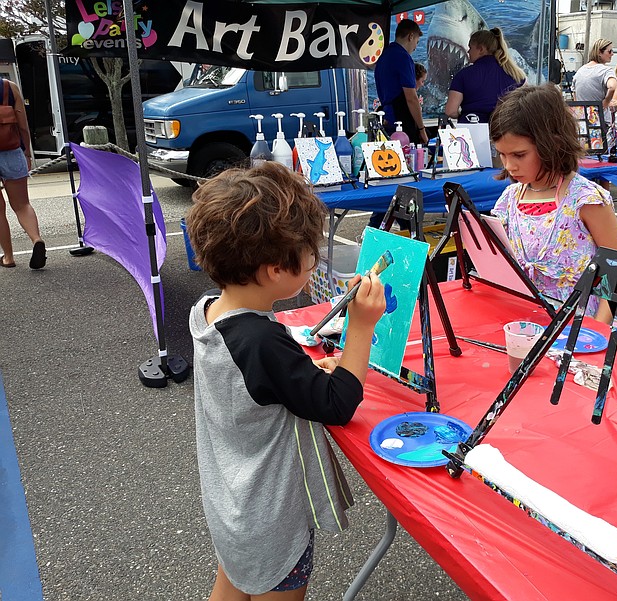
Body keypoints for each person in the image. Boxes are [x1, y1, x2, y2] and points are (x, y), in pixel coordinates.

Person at [185, 162, 385, 600]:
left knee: (236, 579)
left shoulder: (208, 312)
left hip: (233, 503)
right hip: (268, 515)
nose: (314, 262)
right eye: (310, 254)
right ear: (276, 269)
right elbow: (337, 404)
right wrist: (361, 327)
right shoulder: (261, 340)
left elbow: (260, 388)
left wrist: (304, 375)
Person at [489, 84, 617, 323]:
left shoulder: (586, 200)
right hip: (522, 321)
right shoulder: (509, 200)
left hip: (580, 329)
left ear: (550, 143)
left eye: (519, 155)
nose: (509, 165)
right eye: (502, 154)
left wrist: (596, 331)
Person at [0, 76, 46, 269]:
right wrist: (26, 152)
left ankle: (8, 257)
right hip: (11, 150)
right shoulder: (8, 87)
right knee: (22, 204)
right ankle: (36, 240)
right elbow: (23, 125)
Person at [444, 28, 526, 124]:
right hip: (505, 130)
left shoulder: (463, 75)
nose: (468, 52)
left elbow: (450, 111)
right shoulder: (517, 75)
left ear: (481, 49)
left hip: (472, 128)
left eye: (470, 48)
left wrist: (463, 116)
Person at [374, 19, 428, 145]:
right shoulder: (403, 57)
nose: (415, 48)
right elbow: (411, 98)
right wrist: (421, 129)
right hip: (401, 119)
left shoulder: (383, 57)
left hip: (387, 117)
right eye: (416, 42)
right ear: (411, 36)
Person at [572, 38, 617, 111]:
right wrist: (606, 101)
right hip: (600, 118)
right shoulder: (606, 71)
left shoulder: (580, 71)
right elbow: (613, 86)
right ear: (599, 52)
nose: (612, 54)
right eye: (609, 51)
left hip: (582, 117)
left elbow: (575, 95)